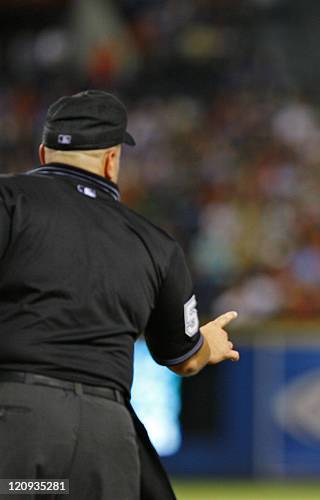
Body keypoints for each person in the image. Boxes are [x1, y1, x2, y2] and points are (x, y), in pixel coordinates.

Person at [0, 90, 239, 500]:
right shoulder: (154, 243)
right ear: (112, 160)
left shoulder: (10, 200)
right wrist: (208, 344)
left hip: (21, 420)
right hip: (106, 437)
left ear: (43, 153)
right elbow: (183, 359)